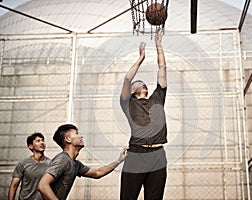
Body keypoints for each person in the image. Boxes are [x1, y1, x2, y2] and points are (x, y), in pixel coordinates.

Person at [120, 28, 168, 200]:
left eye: (144, 83)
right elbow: (127, 79)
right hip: (136, 154)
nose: (142, 84)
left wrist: (158, 45)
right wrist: (141, 59)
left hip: (158, 155)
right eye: (138, 83)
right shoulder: (128, 104)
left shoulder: (157, 98)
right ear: (133, 91)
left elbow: (162, 68)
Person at [37, 123, 128, 200]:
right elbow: (43, 185)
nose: (80, 136)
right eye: (76, 134)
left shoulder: (75, 164)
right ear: (68, 139)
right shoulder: (62, 159)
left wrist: (119, 160)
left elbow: (97, 173)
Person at [8, 132, 51, 200]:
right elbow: (14, 186)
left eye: (43, 140)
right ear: (30, 146)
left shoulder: (51, 164)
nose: (42, 142)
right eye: (38, 141)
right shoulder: (23, 164)